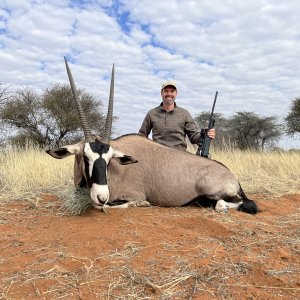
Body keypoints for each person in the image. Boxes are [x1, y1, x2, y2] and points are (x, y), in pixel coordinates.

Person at [138, 81, 215, 152]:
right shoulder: (152, 113)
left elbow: (194, 137)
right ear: (161, 93)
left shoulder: (184, 114)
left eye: (172, 91)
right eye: (166, 91)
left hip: (179, 157)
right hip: (158, 156)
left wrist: (206, 134)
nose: (169, 94)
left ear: (176, 93)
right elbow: (142, 135)